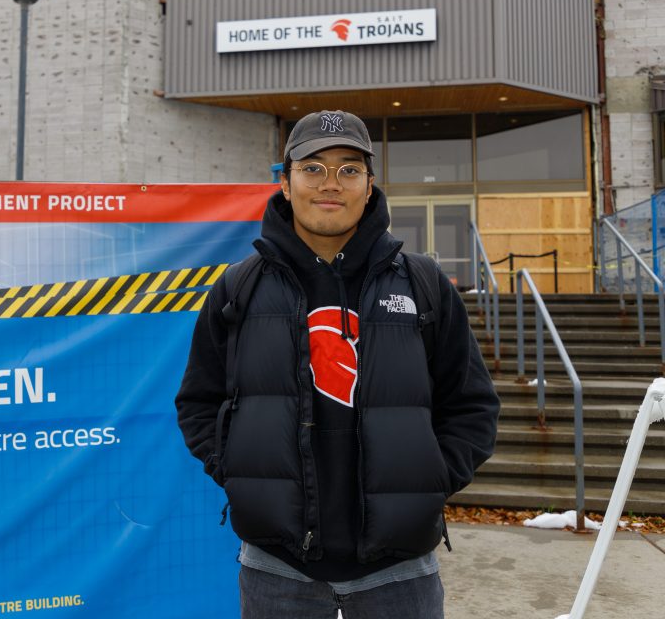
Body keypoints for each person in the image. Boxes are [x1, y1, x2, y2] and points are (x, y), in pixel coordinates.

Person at [174, 110, 499, 618]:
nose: (331, 183)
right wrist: (241, 473)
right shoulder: (239, 288)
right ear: (285, 183)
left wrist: (431, 478)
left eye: (349, 169)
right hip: (277, 568)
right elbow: (198, 401)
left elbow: (471, 405)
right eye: (313, 167)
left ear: (369, 186)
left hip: (400, 569)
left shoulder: (422, 284)